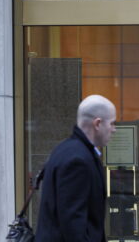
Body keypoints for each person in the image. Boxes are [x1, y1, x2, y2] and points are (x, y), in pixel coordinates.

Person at [36, 94, 117, 241]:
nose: (114, 129)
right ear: (97, 124)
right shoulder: (77, 160)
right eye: (112, 123)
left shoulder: (67, 149)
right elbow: (73, 224)